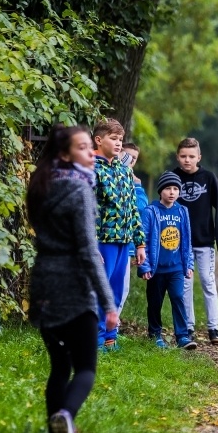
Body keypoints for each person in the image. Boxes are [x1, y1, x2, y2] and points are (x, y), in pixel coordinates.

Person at [26, 124, 119, 433]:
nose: (91, 154)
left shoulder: (41, 185)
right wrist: (108, 302)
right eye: (82, 148)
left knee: (57, 368)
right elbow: (86, 251)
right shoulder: (79, 191)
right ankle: (66, 415)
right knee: (86, 369)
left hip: (43, 286)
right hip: (73, 289)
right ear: (65, 155)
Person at [92, 118, 146, 351]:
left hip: (124, 241)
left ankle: (110, 337)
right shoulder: (91, 169)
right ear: (98, 140)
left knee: (115, 292)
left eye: (120, 140)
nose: (118, 143)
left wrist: (140, 244)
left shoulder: (124, 171)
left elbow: (132, 209)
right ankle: (94, 340)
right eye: (113, 139)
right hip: (102, 241)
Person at [172, 137, 218, 345]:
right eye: (183, 156)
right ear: (178, 157)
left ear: (199, 157)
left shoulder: (208, 178)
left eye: (191, 156)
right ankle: (188, 327)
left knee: (207, 281)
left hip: (205, 241)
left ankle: (213, 327)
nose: (187, 160)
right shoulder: (173, 178)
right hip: (180, 244)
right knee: (185, 285)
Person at [137, 171, 196, 350]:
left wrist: (189, 264)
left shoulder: (182, 211)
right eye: (168, 188)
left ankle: (182, 336)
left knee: (178, 297)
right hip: (157, 269)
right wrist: (144, 265)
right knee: (155, 302)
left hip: (176, 267)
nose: (172, 192)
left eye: (175, 189)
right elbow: (144, 238)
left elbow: (187, 240)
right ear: (160, 191)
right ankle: (155, 334)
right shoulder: (151, 211)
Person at [118, 142, 148, 316]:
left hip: (129, 242)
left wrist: (137, 186)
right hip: (113, 240)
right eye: (127, 156)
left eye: (134, 159)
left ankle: (112, 329)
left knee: (123, 288)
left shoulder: (136, 182)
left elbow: (140, 209)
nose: (130, 161)